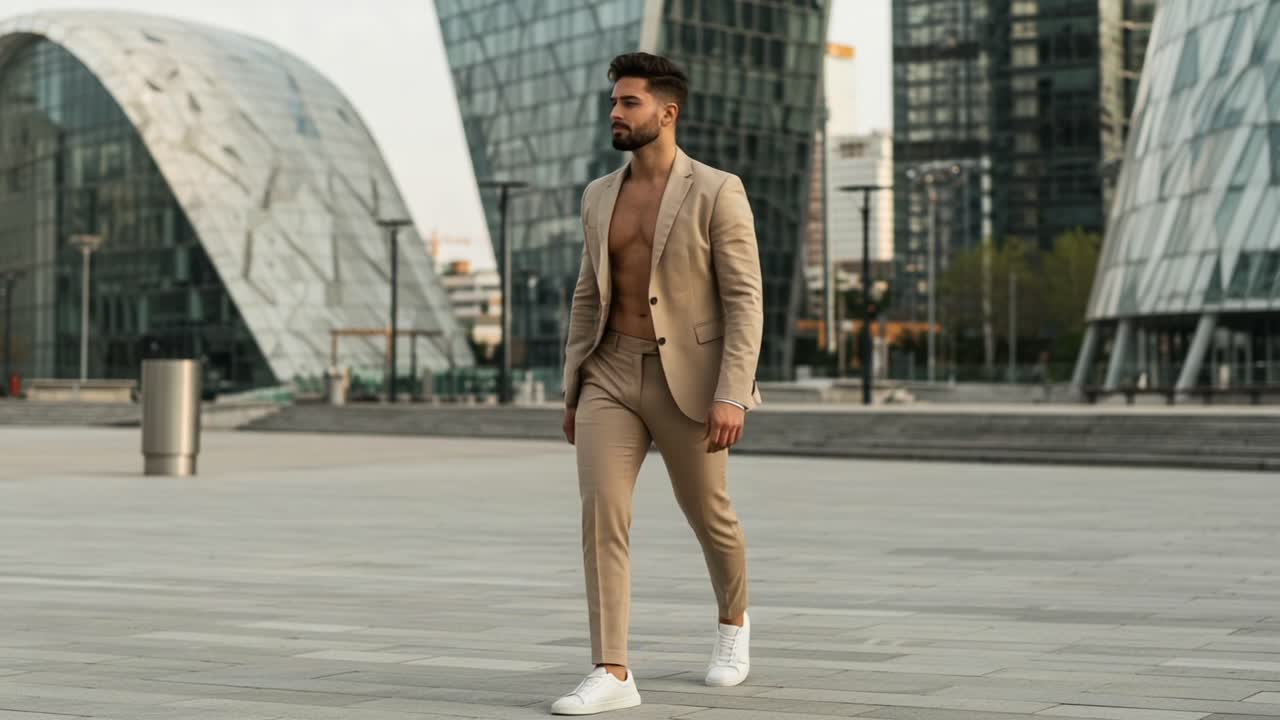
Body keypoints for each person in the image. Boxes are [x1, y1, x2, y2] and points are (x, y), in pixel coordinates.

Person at [552, 52, 764, 715]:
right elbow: (587, 295)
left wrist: (732, 392)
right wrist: (573, 388)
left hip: (690, 381)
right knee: (602, 517)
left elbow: (744, 299)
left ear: (667, 112)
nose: (615, 112)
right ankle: (612, 669)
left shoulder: (717, 190)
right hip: (609, 373)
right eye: (613, 102)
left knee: (710, 514)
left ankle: (733, 623)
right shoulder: (597, 195)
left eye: (629, 102)